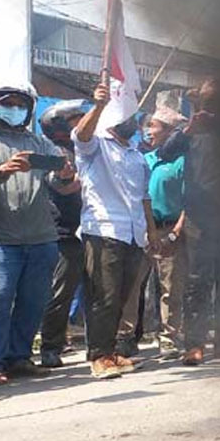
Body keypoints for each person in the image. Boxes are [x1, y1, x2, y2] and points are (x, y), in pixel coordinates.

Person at [157, 77, 220, 365]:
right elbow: (164, 153)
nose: (214, 109)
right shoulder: (191, 131)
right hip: (199, 219)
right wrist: (189, 128)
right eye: (209, 102)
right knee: (197, 283)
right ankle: (194, 345)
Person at [0, 81, 64, 385]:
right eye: (7, 103)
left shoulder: (38, 143)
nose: (14, 109)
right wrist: (1, 170)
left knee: (33, 301)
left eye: (19, 104)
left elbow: (61, 174)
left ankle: (19, 357)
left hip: (41, 237)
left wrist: (66, 171)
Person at [73, 83, 157, 378]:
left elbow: (143, 196)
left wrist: (152, 233)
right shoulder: (95, 145)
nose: (133, 123)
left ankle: (111, 352)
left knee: (122, 296)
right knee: (104, 297)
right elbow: (80, 135)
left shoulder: (136, 154)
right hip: (104, 231)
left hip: (134, 234)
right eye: (127, 117)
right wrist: (97, 106)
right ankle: (98, 357)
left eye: (134, 118)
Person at [37, 99, 87, 368]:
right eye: (75, 118)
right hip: (64, 232)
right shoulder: (53, 152)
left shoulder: (83, 148)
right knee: (60, 293)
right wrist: (80, 178)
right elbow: (61, 186)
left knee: (100, 292)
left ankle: (101, 345)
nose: (82, 121)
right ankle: (50, 346)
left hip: (91, 228)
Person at [140, 106, 188, 358]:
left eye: (154, 126)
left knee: (170, 286)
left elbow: (190, 201)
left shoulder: (181, 162)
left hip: (170, 230)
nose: (149, 131)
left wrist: (176, 232)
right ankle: (128, 336)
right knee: (135, 286)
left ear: (169, 132)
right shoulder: (145, 160)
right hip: (144, 230)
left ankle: (169, 336)